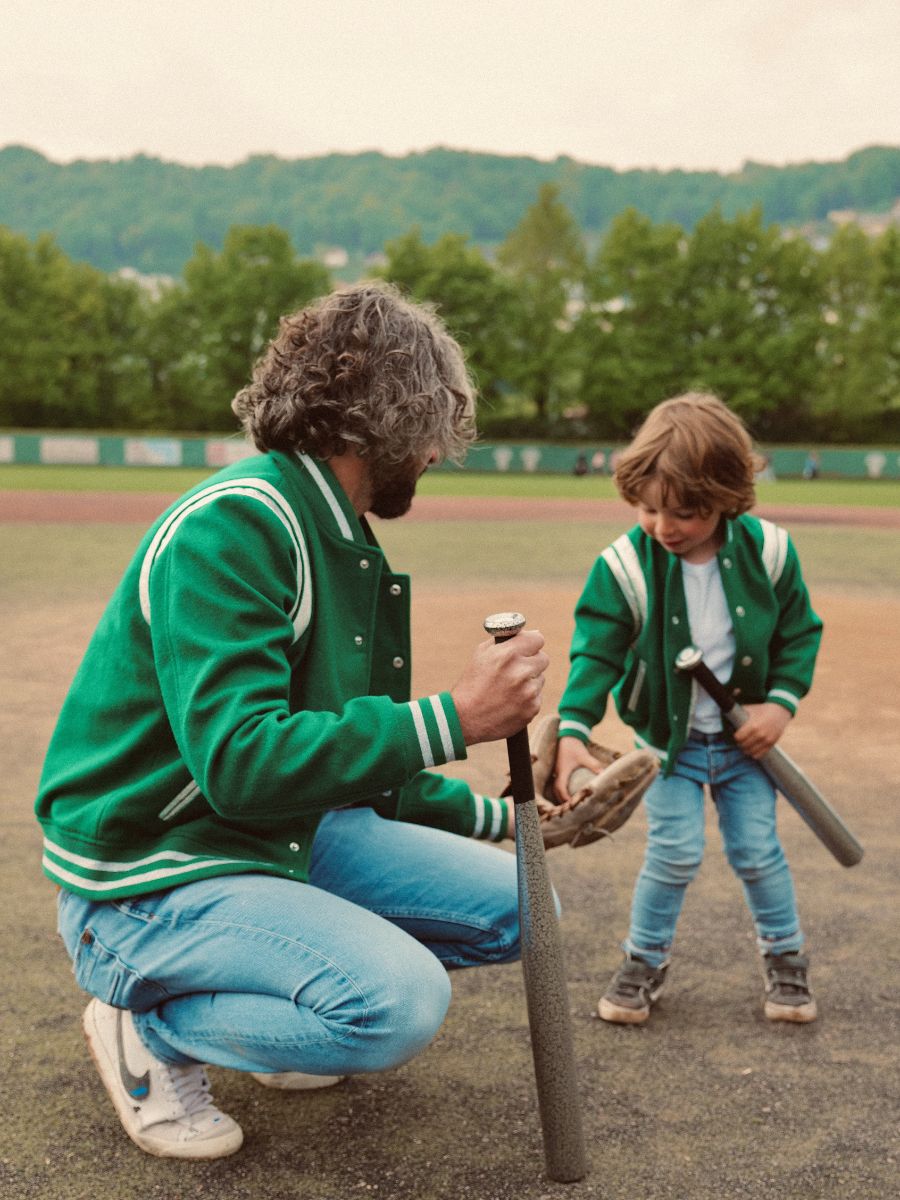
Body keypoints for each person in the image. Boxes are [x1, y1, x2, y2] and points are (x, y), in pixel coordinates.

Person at [35, 281, 548, 1160]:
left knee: (527, 910)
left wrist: (505, 815)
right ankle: (147, 1035)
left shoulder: (332, 528)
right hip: (154, 869)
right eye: (429, 425)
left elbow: (345, 761)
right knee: (395, 1004)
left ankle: (277, 1000)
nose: (435, 451)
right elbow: (240, 761)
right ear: (373, 422)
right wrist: (457, 715)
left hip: (273, 834)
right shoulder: (236, 524)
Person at [552, 393, 822, 1026]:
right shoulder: (623, 565)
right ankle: (642, 961)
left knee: (757, 851)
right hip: (667, 748)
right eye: (648, 509)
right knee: (672, 856)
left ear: (729, 496)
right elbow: (597, 653)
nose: (665, 526)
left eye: (687, 513)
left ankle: (787, 961)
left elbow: (799, 634)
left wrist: (779, 707)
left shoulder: (772, 553)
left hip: (745, 748)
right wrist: (573, 727)